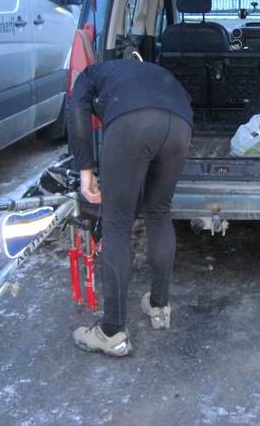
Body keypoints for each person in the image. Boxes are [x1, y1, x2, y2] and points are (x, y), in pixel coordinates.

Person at [67, 58, 192, 356]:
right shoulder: (158, 71)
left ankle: (111, 331)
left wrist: (85, 169)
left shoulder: (90, 73)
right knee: (160, 211)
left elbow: (76, 109)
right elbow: (184, 101)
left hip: (131, 122)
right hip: (179, 125)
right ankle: (159, 307)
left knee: (117, 223)